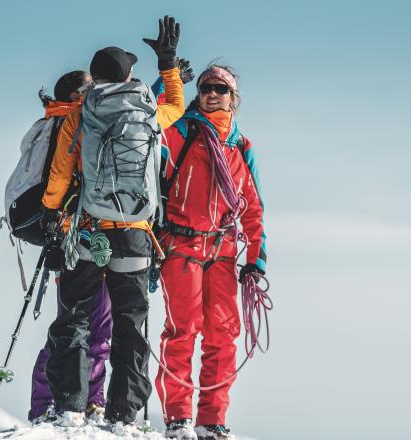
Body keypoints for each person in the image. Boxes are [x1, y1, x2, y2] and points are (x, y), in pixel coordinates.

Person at [38, 16, 186, 432]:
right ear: (128, 75)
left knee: (75, 319)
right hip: (137, 235)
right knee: (130, 324)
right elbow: (177, 101)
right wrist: (169, 63)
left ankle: (70, 405)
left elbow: (60, 174)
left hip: (88, 231)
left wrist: (53, 215)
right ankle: (124, 414)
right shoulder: (150, 113)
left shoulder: (81, 115)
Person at [154, 64, 266, 440]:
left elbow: (253, 209)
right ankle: (178, 420)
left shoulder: (240, 146)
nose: (212, 94)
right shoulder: (179, 133)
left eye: (221, 89)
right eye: (206, 88)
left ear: (234, 98)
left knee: (222, 335)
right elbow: (146, 119)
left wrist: (255, 262)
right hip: (181, 246)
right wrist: (165, 75)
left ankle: (212, 421)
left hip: (222, 249)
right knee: (182, 331)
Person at [27, 70, 113, 424]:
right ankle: (68, 400)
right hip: (79, 237)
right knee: (83, 326)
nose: (97, 94)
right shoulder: (68, 124)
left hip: (79, 236)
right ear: (78, 95)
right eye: (91, 89)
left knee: (79, 325)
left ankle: (75, 399)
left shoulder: (64, 122)